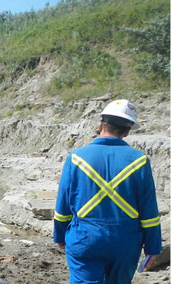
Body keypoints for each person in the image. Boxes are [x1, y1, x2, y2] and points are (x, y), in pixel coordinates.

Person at [53, 99, 162, 283]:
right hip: (126, 241)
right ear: (127, 131)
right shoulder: (140, 161)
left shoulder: (76, 158)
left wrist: (60, 236)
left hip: (85, 238)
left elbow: (63, 206)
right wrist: (153, 247)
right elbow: (149, 211)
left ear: (100, 125)